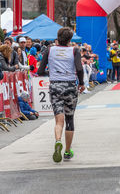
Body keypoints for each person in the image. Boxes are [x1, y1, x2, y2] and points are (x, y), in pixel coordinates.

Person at [37, 27, 85, 162]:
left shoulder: (50, 50)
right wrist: (81, 83)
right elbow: (79, 68)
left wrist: (52, 74)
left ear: (58, 37)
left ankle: (58, 140)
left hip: (55, 86)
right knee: (69, 119)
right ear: (70, 39)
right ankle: (68, 151)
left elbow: (40, 71)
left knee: (59, 120)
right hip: (70, 85)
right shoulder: (74, 50)